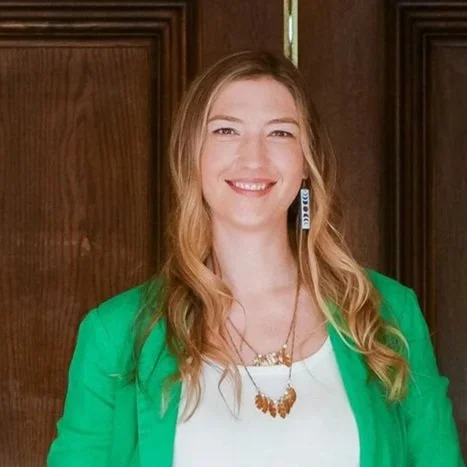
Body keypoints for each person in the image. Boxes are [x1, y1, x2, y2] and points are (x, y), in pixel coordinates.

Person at [47, 51, 464, 467]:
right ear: (192, 155)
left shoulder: (387, 314)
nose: (253, 158)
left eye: (280, 133)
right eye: (226, 130)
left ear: (306, 163)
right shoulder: (116, 333)